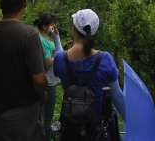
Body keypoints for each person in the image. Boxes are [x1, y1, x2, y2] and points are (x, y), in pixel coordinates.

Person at [0, 0, 48, 141]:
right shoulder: (29, 35)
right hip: (25, 118)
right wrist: (42, 95)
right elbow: (39, 80)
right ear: (25, 4)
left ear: (0, 5)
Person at [52, 9, 126, 140]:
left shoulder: (60, 59)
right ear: (94, 32)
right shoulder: (105, 59)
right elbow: (118, 97)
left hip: (71, 130)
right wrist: (132, 122)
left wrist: (56, 38)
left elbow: (60, 59)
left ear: (73, 28)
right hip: (98, 131)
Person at [33, 13, 63, 141]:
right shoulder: (42, 40)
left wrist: (57, 37)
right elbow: (47, 61)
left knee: (45, 115)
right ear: (44, 26)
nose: (53, 26)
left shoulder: (47, 39)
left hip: (50, 80)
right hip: (48, 81)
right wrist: (61, 56)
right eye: (51, 24)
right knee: (48, 116)